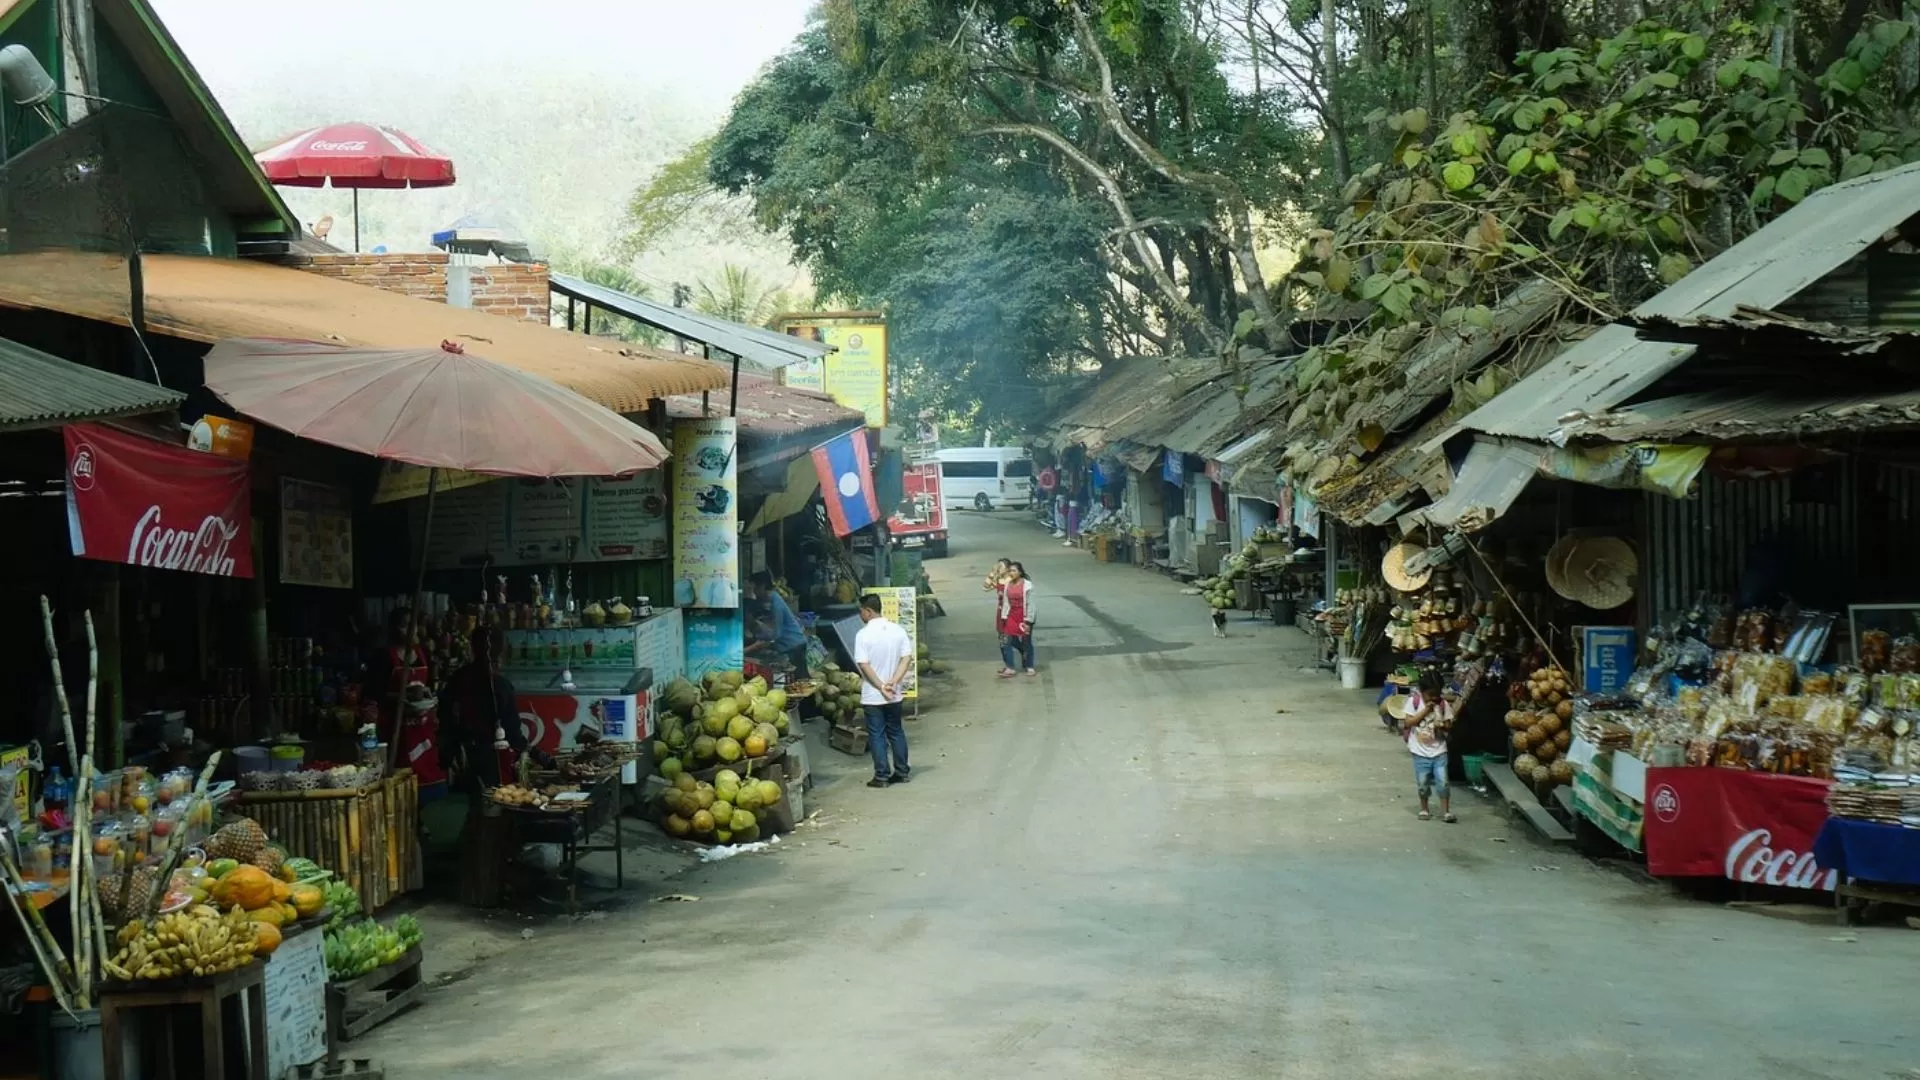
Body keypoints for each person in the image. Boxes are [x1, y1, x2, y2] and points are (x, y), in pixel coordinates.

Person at [444, 626, 536, 791]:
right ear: (500, 650)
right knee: (495, 803)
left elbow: (446, 718)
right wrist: (537, 755)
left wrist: (450, 753)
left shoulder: (457, 678)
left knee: (475, 804)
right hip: (492, 758)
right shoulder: (500, 685)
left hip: (463, 755)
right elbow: (513, 732)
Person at [853, 592, 914, 788]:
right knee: (896, 730)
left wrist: (880, 686)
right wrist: (893, 683)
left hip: (874, 695)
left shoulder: (863, 635)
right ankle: (902, 771)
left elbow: (864, 664)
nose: (860, 615)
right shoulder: (898, 630)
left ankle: (882, 776)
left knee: (877, 734)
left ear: (868, 611)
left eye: (861, 611)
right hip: (894, 694)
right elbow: (906, 658)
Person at [1401, 671, 1455, 822]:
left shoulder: (1443, 704)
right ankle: (1424, 808)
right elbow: (1408, 723)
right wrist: (1426, 710)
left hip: (1439, 750)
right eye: (1430, 695)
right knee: (1423, 783)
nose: (1433, 698)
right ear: (1422, 691)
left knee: (1443, 781)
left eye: (1436, 694)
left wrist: (1442, 725)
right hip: (1420, 750)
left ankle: (1446, 811)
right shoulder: (1414, 702)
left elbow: (1449, 725)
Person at [748, 571, 809, 677]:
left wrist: (763, 643)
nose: (754, 592)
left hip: (794, 645)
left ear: (762, 586)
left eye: (755, 588)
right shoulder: (772, 600)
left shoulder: (776, 604)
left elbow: (777, 633)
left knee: (801, 680)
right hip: (792, 644)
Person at [996, 561, 1037, 678]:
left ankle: (1029, 666)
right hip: (1011, 616)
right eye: (1010, 571)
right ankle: (1010, 667)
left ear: (1020, 572)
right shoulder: (1008, 585)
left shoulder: (1028, 585)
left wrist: (1029, 620)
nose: (1011, 573)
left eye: (1014, 571)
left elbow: (1031, 604)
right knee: (1006, 641)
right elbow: (1006, 602)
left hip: (1024, 617)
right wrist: (1004, 617)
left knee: (1026, 642)